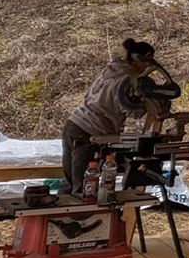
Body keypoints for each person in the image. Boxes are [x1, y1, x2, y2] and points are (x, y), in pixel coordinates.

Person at [62, 39, 163, 196]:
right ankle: (79, 219)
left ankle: (64, 219)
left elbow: (90, 95)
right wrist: (149, 104)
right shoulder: (130, 79)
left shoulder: (112, 68)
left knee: (70, 184)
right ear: (141, 59)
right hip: (89, 132)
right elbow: (133, 111)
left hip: (74, 123)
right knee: (83, 190)